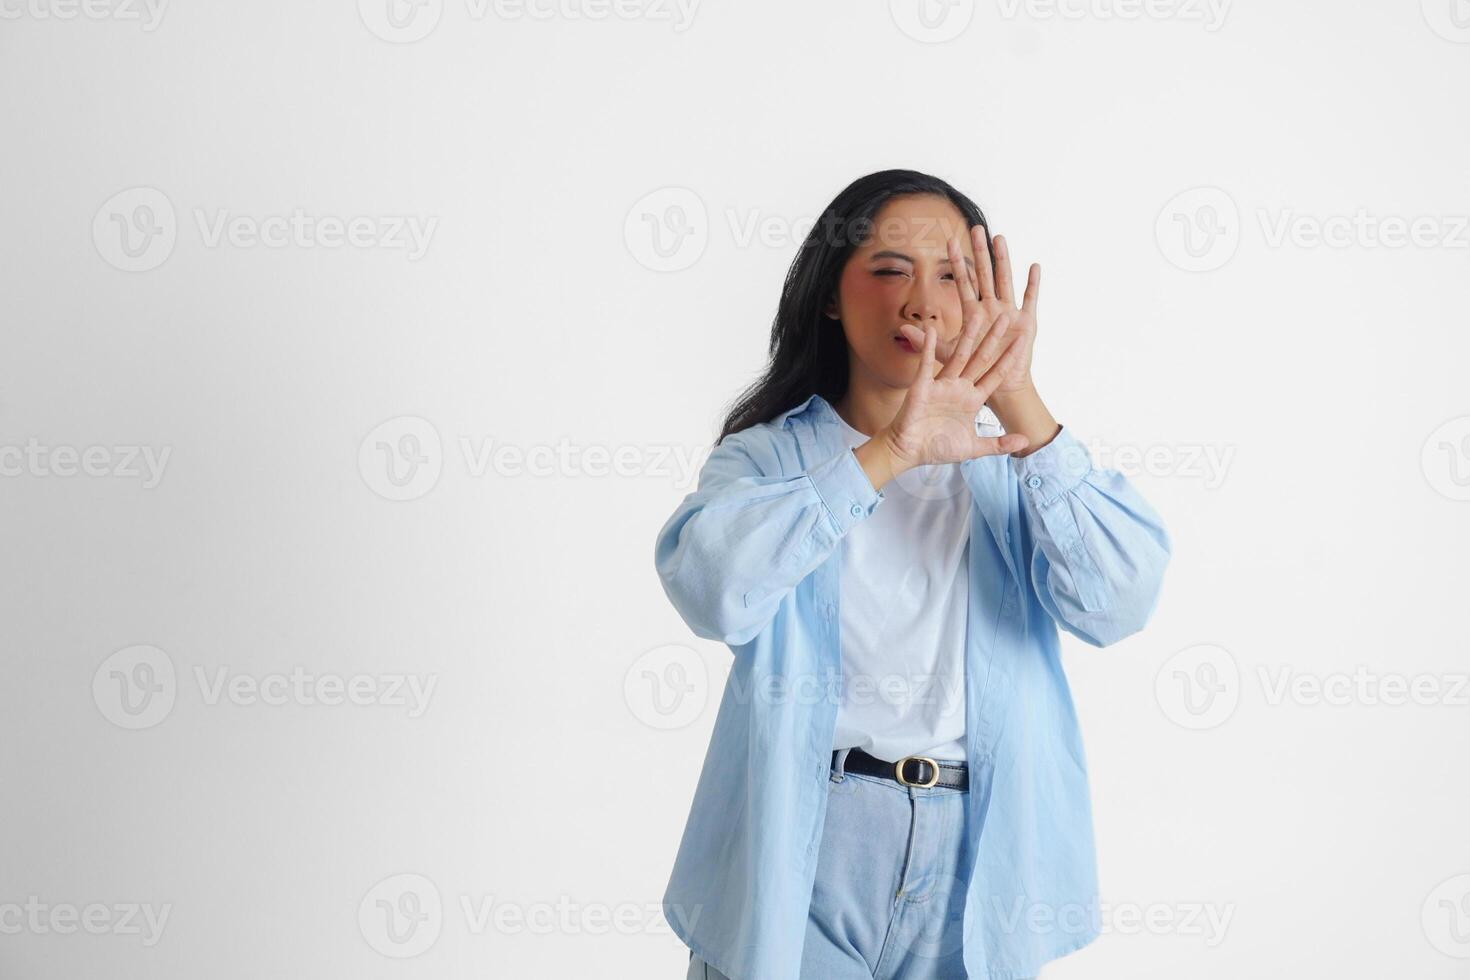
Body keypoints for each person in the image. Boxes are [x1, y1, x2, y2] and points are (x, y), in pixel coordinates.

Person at [654, 169, 1171, 980]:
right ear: (831, 295)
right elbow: (713, 591)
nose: (922, 303)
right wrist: (889, 454)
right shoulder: (769, 458)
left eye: (952, 277)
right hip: (805, 837)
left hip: (978, 849)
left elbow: (1122, 599)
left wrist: (1019, 397)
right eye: (890, 270)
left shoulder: (1015, 466)